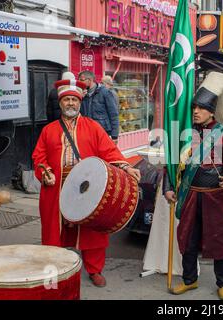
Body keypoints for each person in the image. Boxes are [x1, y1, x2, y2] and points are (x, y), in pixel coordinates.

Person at [32, 79, 141, 288]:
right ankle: (55, 269)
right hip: (57, 186)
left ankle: (94, 269)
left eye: (74, 99)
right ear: (61, 103)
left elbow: (110, 152)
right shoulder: (49, 130)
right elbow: (39, 157)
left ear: (79, 103)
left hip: (88, 186)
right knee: (55, 231)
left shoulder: (93, 127)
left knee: (92, 229)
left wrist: (127, 167)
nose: (71, 103)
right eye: (67, 100)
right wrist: (45, 172)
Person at [163, 72, 223, 300]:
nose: (195, 112)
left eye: (201, 108)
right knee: (188, 239)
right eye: (194, 108)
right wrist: (168, 187)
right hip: (189, 196)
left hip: (215, 199)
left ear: (211, 111)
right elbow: (171, 165)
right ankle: (190, 280)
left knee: (219, 240)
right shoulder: (185, 135)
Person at [78, 71, 119, 143]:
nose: (79, 82)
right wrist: (80, 98)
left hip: (102, 132)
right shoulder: (82, 93)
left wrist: (114, 136)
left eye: (81, 80)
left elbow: (113, 114)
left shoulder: (105, 92)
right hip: (86, 132)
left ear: (90, 80)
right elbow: (78, 113)